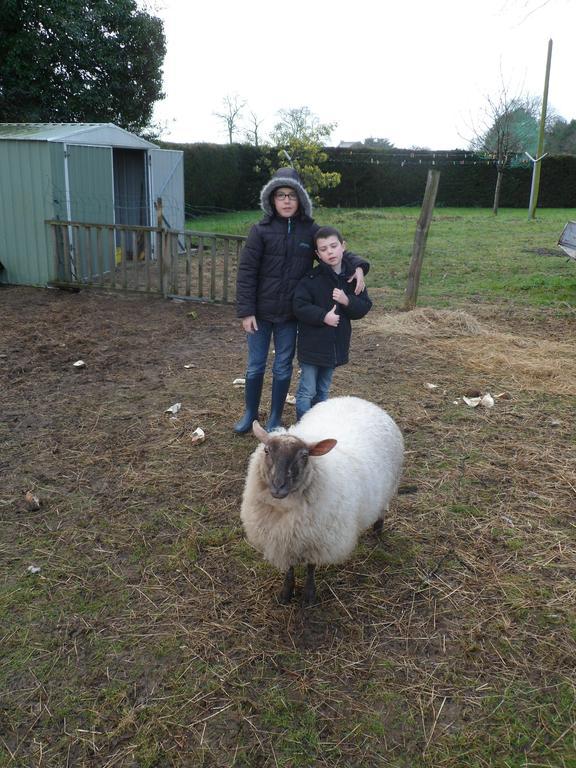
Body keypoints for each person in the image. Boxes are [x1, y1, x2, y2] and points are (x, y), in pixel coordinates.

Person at [234, 168, 369, 433]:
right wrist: (246, 311)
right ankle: (250, 414)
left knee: (283, 365)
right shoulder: (260, 231)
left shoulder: (310, 231)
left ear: (301, 199)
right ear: (272, 199)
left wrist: (360, 266)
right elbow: (246, 272)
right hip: (260, 313)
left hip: (289, 315)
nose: (286, 200)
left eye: (292, 195)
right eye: (281, 195)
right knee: (255, 364)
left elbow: (336, 249)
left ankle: (274, 416)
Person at [293, 226, 372, 420]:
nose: (330, 251)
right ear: (317, 254)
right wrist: (323, 316)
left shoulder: (352, 280)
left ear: (343, 246)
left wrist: (347, 300)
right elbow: (299, 306)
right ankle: (304, 426)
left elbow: (363, 307)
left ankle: (319, 426)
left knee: (323, 390)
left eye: (333, 246)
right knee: (307, 390)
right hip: (311, 347)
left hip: (335, 347)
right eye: (324, 249)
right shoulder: (311, 279)